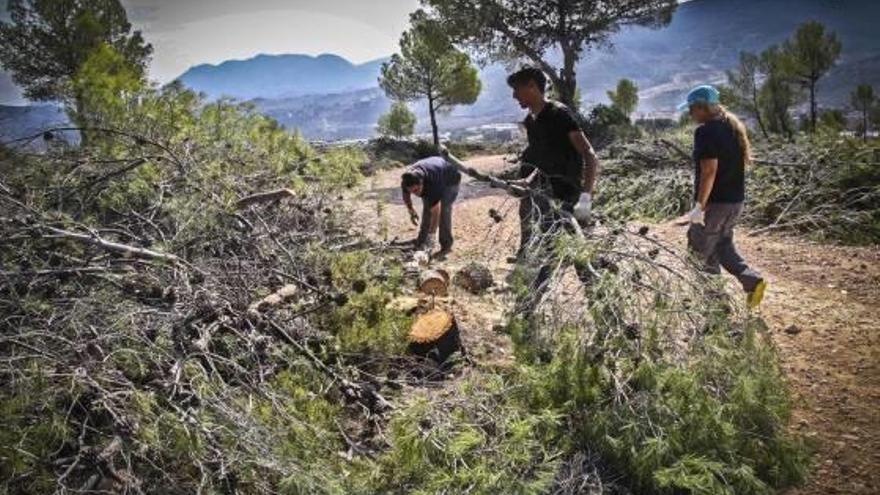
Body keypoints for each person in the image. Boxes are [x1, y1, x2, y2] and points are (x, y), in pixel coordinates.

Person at [506, 67, 601, 315]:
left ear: (531, 87)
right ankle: (528, 310)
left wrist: (585, 198)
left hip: (569, 201)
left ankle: (603, 310)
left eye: (517, 90)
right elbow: (541, 163)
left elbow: (590, 156)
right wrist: (527, 182)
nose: (515, 96)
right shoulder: (531, 122)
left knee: (580, 259)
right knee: (550, 253)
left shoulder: (560, 115)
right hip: (546, 201)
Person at [679, 84, 767, 309]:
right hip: (735, 202)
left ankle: (716, 307)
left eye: (691, 109)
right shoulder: (731, 127)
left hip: (714, 204)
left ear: (702, 107)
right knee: (722, 246)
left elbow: (710, 171)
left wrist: (699, 207)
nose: (690, 115)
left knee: (699, 253)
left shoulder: (706, 131)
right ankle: (752, 280)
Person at [401, 156, 462, 255]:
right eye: (411, 191)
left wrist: (432, 235)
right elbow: (406, 196)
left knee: (444, 211)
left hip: (451, 179)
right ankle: (421, 241)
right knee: (427, 209)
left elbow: (435, 213)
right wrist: (411, 210)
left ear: (422, 183)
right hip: (436, 170)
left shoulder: (432, 184)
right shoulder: (407, 180)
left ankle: (445, 245)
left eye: (416, 190)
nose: (415, 194)